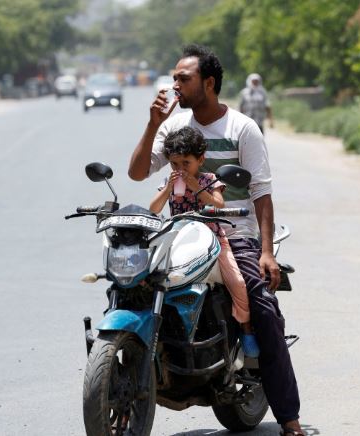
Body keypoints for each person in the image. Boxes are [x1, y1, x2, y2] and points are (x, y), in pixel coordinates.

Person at [129, 44, 303, 436]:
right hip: (178, 233)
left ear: (208, 83)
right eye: (174, 77)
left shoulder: (242, 128)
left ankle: (289, 417)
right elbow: (139, 173)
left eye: (183, 78)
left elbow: (261, 193)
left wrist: (266, 252)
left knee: (264, 308)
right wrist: (153, 123)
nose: (175, 84)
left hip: (232, 233)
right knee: (135, 280)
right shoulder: (173, 127)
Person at [149, 126, 260, 358]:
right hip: (178, 237)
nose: (180, 169)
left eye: (186, 163)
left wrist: (196, 187)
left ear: (201, 159)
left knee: (237, 281)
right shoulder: (168, 182)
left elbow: (218, 204)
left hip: (211, 236)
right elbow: (154, 209)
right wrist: (169, 187)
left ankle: (246, 329)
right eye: (174, 164)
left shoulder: (210, 180)